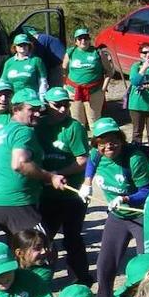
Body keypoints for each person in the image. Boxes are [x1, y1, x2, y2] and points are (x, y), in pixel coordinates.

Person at [0, 88, 67, 240]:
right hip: (17, 204)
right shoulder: (23, 132)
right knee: (42, 248)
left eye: (38, 110)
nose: (37, 114)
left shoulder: (0, 132)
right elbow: (19, 164)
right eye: (31, 110)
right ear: (16, 109)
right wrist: (50, 177)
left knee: (19, 248)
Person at [83, 118, 149, 297]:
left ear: (122, 139)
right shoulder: (97, 154)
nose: (108, 146)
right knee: (105, 263)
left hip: (140, 215)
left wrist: (125, 199)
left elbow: (147, 190)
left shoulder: (135, 159)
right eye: (102, 142)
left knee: (145, 264)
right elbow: (91, 163)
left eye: (113, 140)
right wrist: (86, 183)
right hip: (117, 216)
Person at [37, 86, 92, 285]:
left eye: (65, 105)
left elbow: (82, 160)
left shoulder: (74, 127)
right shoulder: (39, 126)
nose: (62, 110)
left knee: (72, 238)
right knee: (43, 238)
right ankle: (40, 278)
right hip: (46, 194)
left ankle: (80, 279)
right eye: (57, 105)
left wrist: (57, 174)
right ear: (47, 106)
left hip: (71, 194)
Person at [62, 27, 108, 127]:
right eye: (80, 38)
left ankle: (97, 141)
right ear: (75, 41)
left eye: (86, 38)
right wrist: (65, 85)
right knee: (77, 121)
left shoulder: (98, 52)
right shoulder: (70, 52)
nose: (83, 41)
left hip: (94, 91)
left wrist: (104, 88)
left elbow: (109, 71)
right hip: (74, 91)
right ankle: (80, 141)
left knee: (94, 121)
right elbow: (63, 69)